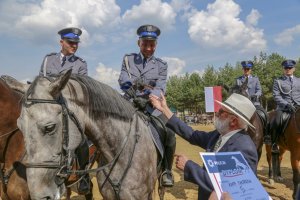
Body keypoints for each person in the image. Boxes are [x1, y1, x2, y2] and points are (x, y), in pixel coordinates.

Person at [149, 93, 258, 200]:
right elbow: (193, 135)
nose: (217, 113)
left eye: (221, 111)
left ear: (233, 121)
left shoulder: (244, 148)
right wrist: (165, 110)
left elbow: (226, 187)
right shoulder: (219, 135)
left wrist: (188, 166)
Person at [118, 24, 175, 187]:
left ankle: (166, 170)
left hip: (152, 106)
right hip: (130, 104)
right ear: (139, 43)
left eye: (152, 44)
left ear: (155, 45)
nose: (148, 48)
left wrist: (150, 98)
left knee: (170, 133)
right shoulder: (128, 60)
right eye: (145, 44)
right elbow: (123, 79)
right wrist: (132, 90)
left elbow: (160, 86)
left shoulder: (161, 65)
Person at [39, 27, 90, 195]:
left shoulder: (80, 64)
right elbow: (42, 81)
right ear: (61, 42)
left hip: (71, 108)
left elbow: (82, 87)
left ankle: (83, 176)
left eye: (76, 43)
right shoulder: (48, 60)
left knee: (82, 140)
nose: (74, 46)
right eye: (70, 43)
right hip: (49, 106)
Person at [235, 60, 270, 144]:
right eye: (245, 69)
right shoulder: (238, 80)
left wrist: (256, 95)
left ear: (250, 70)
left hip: (254, 104)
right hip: (241, 105)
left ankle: (266, 135)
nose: (246, 70)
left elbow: (259, 90)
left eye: (248, 69)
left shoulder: (255, 79)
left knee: (264, 114)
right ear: (242, 69)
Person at [272, 59, 300, 142]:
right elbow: (276, 95)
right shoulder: (278, 81)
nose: (288, 69)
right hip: (284, 108)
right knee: (277, 122)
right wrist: (286, 104)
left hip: (298, 106)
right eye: (286, 68)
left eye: (290, 68)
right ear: (283, 69)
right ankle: (274, 142)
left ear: (294, 69)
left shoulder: (299, 81)